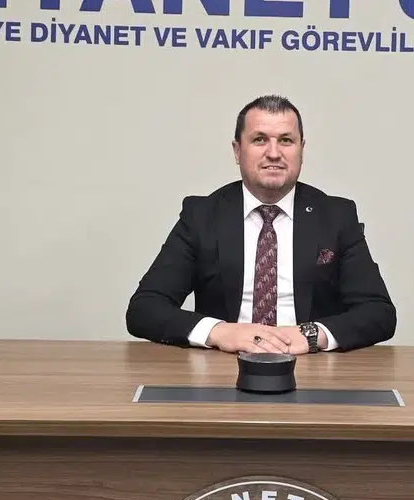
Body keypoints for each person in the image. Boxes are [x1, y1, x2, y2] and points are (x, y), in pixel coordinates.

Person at [126, 95, 396, 354]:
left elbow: (379, 313)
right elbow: (144, 308)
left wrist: (312, 335)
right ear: (237, 151)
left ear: (301, 149)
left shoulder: (336, 216)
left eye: (286, 140)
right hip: (223, 367)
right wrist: (219, 332)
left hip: (311, 365)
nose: (274, 153)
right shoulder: (202, 216)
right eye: (259, 140)